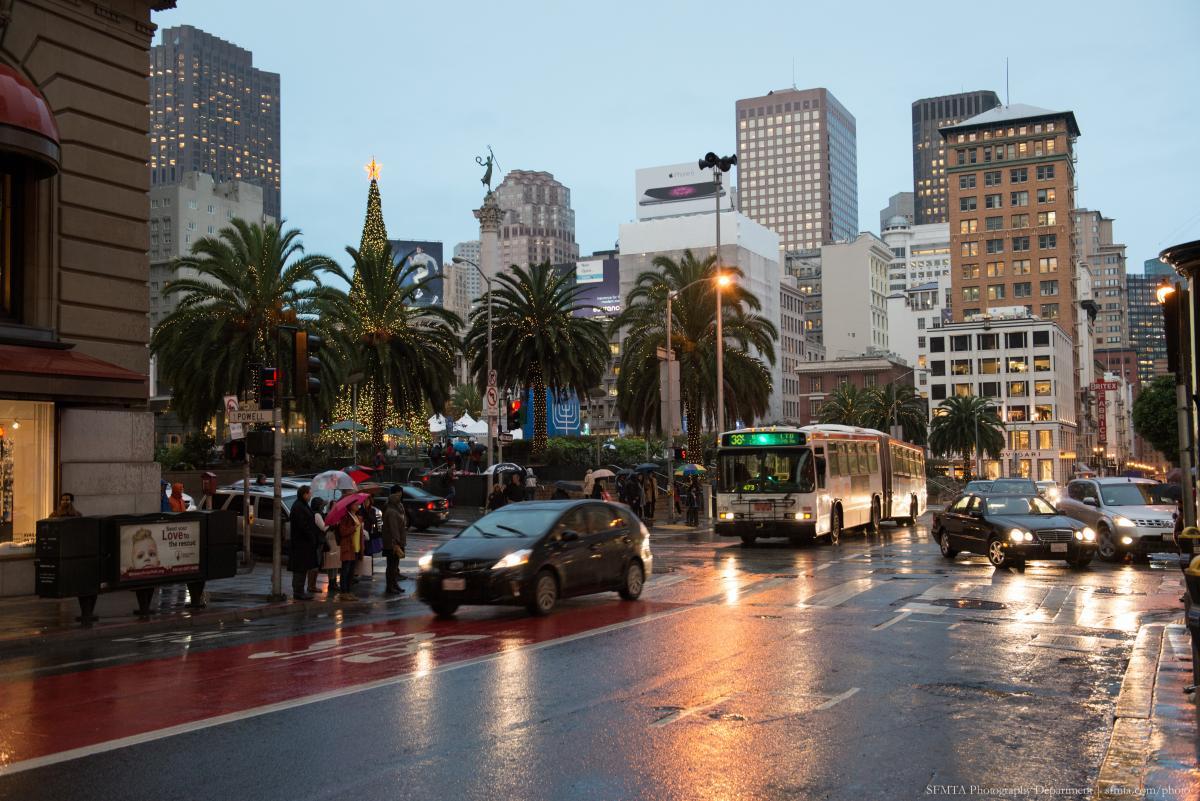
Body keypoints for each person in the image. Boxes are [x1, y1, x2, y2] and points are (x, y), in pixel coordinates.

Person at [287, 486, 321, 600]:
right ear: (304, 494)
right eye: (309, 494)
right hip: (300, 544)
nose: (310, 496)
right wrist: (311, 536)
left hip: (305, 544)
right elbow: (303, 526)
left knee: (303, 568)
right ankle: (298, 591)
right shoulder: (298, 507)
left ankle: (300, 590)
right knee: (300, 569)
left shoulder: (303, 505)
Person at [383, 488, 407, 595]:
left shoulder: (395, 510)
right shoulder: (392, 512)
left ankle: (394, 584)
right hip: (393, 544)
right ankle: (390, 586)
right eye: (398, 498)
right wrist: (397, 542)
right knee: (391, 566)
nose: (400, 500)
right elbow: (394, 529)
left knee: (394, 565)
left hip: (395, 542)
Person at [312, 497, 339, 595]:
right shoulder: (319, 515)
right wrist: (332, 524)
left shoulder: (322, 514)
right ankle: (328, 582)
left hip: (331, 539)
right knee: (324, 562)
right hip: (326, 539)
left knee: (334, 562)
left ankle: (333, 581)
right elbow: (324, 528)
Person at [336, 504, 362, 601]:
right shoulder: (345, 517)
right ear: (350, 506)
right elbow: (342, 532)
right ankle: (344, 592)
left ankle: (349, 591)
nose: (358, 506)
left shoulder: (357, 517)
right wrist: (353, 528)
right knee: (345, 570)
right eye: (356, 505)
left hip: (355, 547)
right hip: (348, 547)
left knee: (351, 571)